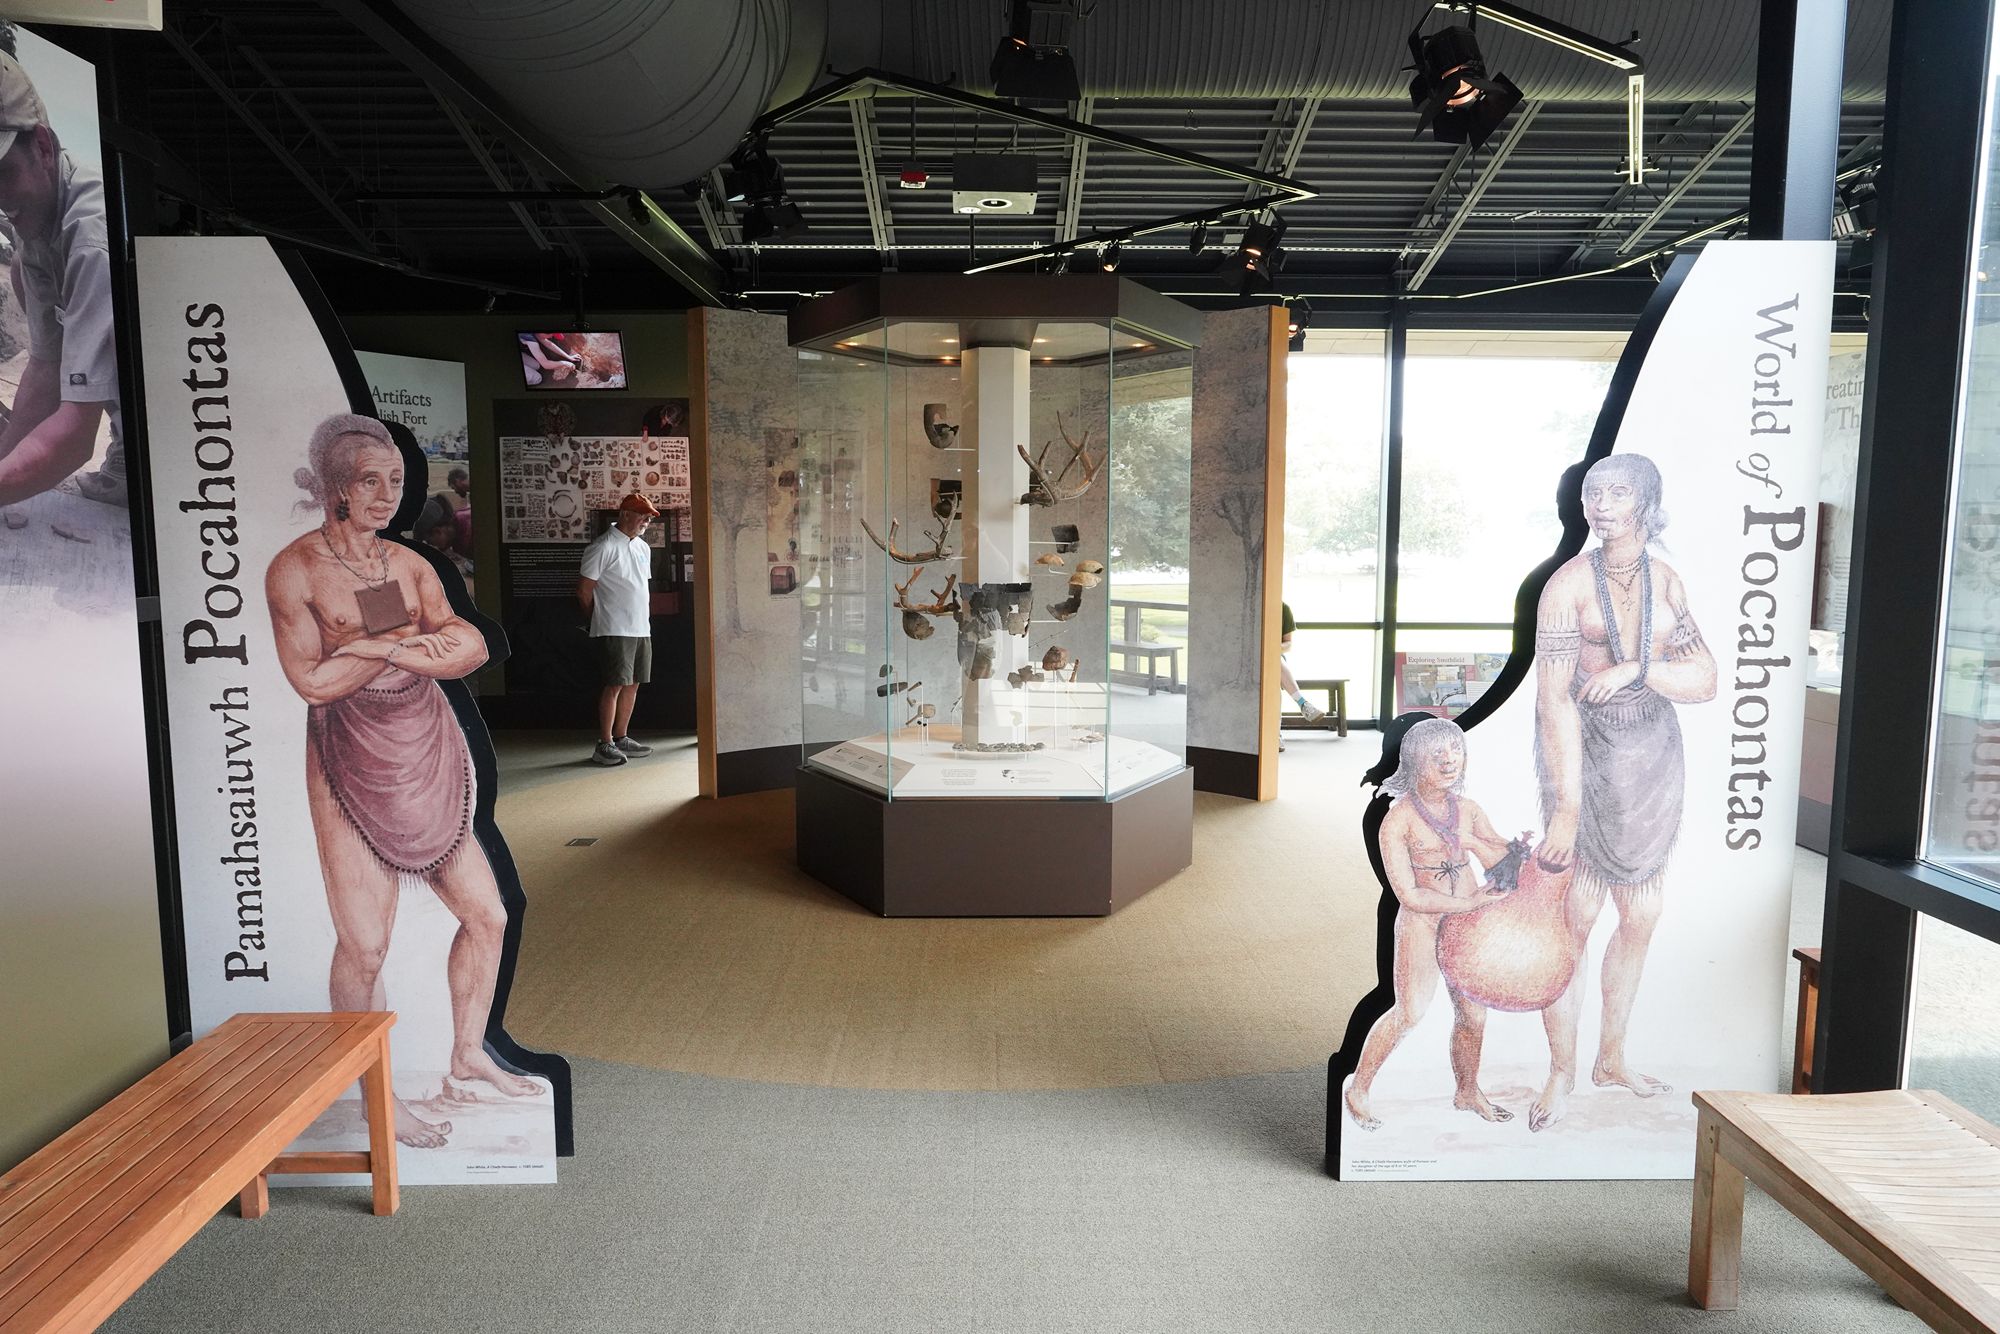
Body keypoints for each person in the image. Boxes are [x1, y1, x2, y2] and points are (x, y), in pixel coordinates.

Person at [266, 414, 541, 1148]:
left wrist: (386, 649)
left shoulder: (410, 564)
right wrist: (400, 647)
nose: (390, 495)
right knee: (363, 946)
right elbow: (310, 681)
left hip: (425, 749)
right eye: (371, 481)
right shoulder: (295, 569)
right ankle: (373, 1096)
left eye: (395, 480)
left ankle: (466, 1055)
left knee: (488, 915)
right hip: (348, 761)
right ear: (335, 488)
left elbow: (467, 641)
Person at [1529, 452, 1716, 1132]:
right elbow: (1552, 700)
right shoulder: (1567, 586)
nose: (1601, 505)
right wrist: (1566, 808)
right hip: (1585, 757)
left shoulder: (1665, 580)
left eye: (1616, 493)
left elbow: (1704, 679)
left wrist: (1639, 668)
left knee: (1641, 914)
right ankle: (1561, 1070)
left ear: (1645, 503)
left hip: (1654, 758)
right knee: (1575, 917)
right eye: (1592, 493)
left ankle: (1610, 1058)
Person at [1345, 717, 1517, 1130]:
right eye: (1436, 753)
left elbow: (1506, 860)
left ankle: (1467, 1091)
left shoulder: (1469, 810)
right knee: (1409, 1012)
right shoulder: (1397, 820)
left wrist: (1473, 843)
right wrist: (1467, 901)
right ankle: (1358, 1089)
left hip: (1467, 926)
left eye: (1455, 750)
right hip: (1422, 925)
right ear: (1412, 761)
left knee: (1474, 1016)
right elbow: (1409, 894)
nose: (1448, 761)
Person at [0, 49, 123, 510]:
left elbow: (74, 439)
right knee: (21, 270)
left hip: (201, 393)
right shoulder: (36, 222)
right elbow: (46, 368)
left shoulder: (93, 238)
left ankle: (141, 448)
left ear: (44, 148)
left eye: (2, 173)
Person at [578, 493, 658, 766]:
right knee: (615, 684)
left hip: (640, 627)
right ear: (624, 514)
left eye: (649, 517)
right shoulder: (602, 547)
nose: (646, 521)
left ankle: (621, 737)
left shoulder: (643, 547)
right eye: (642, 515)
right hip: (614, 627)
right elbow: (584, 591)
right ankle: (604, 744)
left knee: (633, 684)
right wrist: (596, 619)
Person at [1279, 601, 1328, 725]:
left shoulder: (1283, 608)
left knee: (1276, 663)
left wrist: (1273, 648)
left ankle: (1303, 704)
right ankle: (1302, 702)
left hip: (1274, 658)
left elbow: (1288, 643)